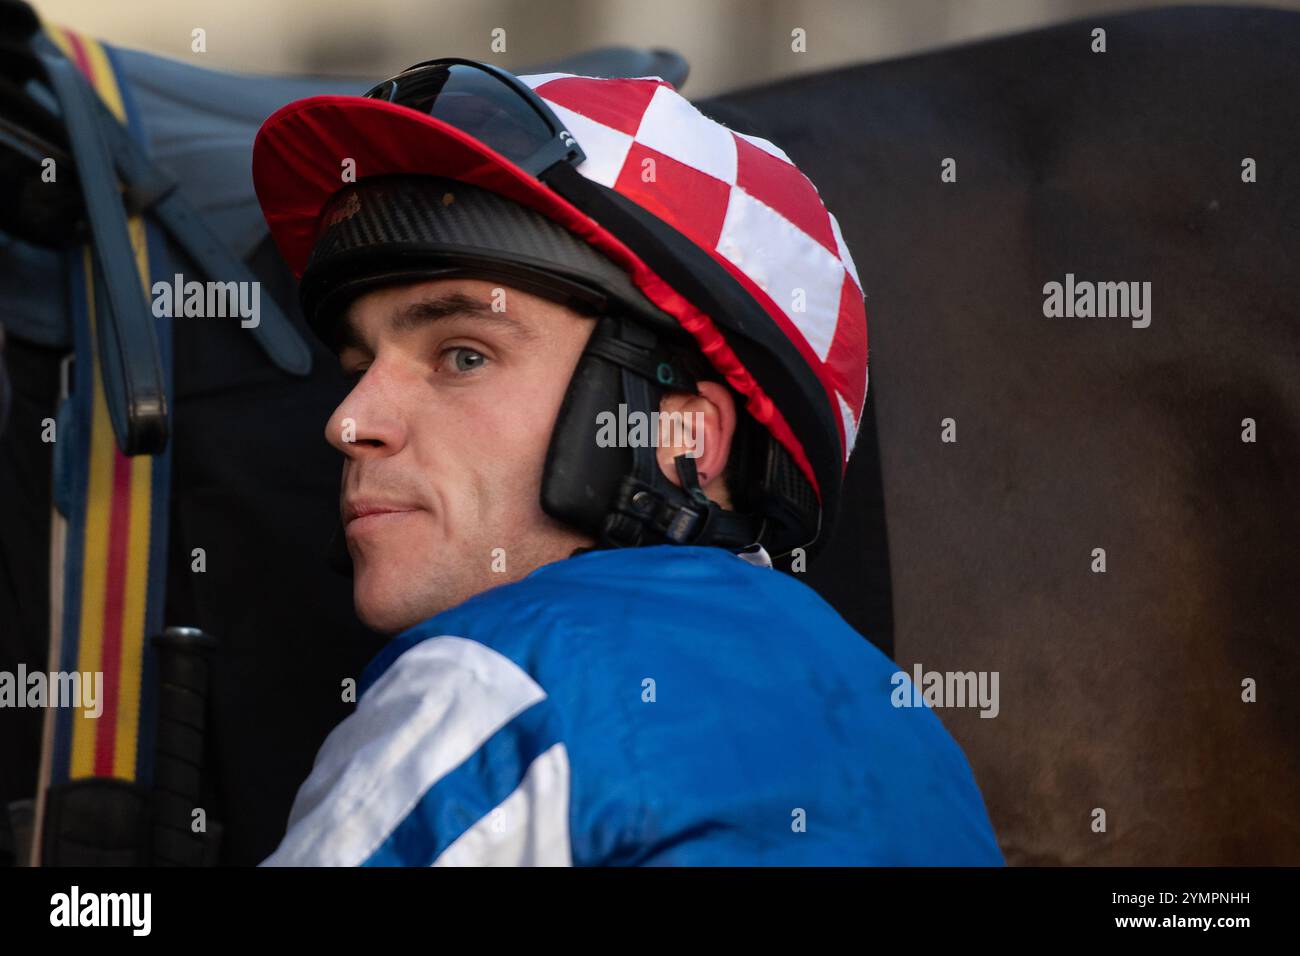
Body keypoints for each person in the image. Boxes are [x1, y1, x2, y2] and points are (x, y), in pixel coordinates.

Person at [251, 58, 1003, 865]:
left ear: (682, 435)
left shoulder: (492, 684)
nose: (349, 421)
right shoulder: (910, 737)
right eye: (357, 366)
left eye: (462, 356)